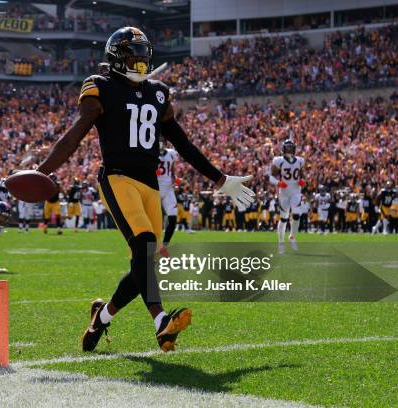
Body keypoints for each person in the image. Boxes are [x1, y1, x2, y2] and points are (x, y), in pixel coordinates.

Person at [36, 27, 254, 353]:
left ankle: (102, 317)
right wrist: (41, 171)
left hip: (149, 183)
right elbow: (75, 135)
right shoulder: (101, 87)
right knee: (145, 243)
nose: (138, 62)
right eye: (132, 56)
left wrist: (220, 179)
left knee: (144, 265)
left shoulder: (159, 92)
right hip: (117, 177)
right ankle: (161, 322)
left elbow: (182, 143)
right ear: (117, 58)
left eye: (142, 56)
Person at [269, 139, 305, 254]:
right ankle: (281, 242)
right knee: (284, 217)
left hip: (295, 190)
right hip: (284, 192)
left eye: (291, 147)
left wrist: (302, 181)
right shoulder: (279, 161)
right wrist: (278, 183)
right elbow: (271, 177)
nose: (289, 149)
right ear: (284, 148)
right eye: (287, 147)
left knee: (296, 214)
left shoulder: (300, 161)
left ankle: (292, 236)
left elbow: (301, 175)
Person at [157, 141, 178, 253]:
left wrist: (174, 177)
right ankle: (153, 245)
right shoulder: (151, 153)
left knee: (173, 217)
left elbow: (172, 168)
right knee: (154, 220)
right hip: (154, 188)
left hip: (168, 188)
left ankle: (164, 246)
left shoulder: (171, 153)